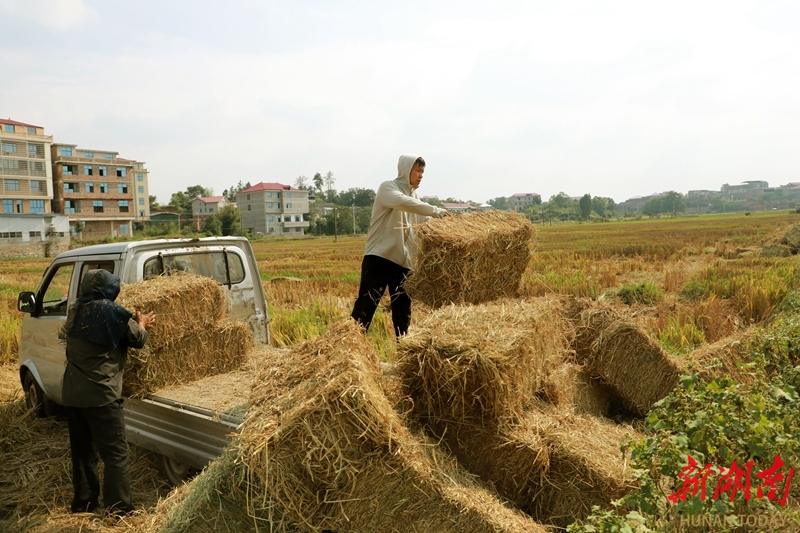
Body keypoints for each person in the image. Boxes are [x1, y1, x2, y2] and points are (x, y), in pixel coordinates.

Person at [61, 269, 156, 516]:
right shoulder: (113, 313)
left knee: (83, 454)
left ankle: (84, 504)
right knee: (116, 454)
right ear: (111, 290)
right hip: (102, 396)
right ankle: (119, 510)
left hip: (72, 394)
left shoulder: (74, 310)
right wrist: (142, 323)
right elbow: (138, 339)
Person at [351, 154, 449, 337]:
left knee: (403, 313)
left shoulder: (415, 199)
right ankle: (348, 350)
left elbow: (425, 220)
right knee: (365, 307)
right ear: (406, 170)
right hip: (379, 257)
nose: (421, 175)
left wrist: (449, 225)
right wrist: (437, 211)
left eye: (423, 172)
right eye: (418, 170)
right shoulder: (388, 188)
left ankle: (403, 353)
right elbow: (405, 203)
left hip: (403, 264)